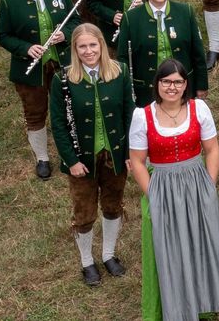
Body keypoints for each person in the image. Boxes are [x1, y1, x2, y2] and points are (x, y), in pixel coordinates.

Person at [129, 59, 219, 321]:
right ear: (158, 84)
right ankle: (176, 303)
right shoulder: (142, 116)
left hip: (196, 181)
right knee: (169, 244)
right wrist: (153, 193)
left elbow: (212, 149)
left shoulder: (199, 109)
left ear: (185, 84)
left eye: (177, 82)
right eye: (166, 81)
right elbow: (138, 162)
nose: (172, 87)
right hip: (162, 184)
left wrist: (209, 184)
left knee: (202, 237)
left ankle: (206, 298)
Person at [48, 24, 133, 286]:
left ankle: (108, 254)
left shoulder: (119, 72)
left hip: (115, 155)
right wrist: (71, 160)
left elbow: (130, 115)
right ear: (74, 49)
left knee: (113, 204)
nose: (88, 51)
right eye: (82, 46)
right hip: (81, 159)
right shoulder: (62, 79)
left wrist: (130, 152)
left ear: (102, 45)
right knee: (84, 211)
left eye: (93, 45)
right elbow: (59, 124)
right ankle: (87, 261)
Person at [0, 0, 80, 179]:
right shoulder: (9, 1)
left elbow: (74, 21)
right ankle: (42, 158)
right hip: (29, 69)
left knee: (69, 107)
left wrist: (65, 35)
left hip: (61, 62)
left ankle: (73, 152)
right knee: (35, 112)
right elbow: (2, 36)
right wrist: (26, 48)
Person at [116, 0, 208, 107]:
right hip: (146, 90)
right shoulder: (131, 18)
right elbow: (122, 58)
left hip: (183, 85)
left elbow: (198, 52)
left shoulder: (185, 11)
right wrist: (126, 90)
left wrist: (201, 85)